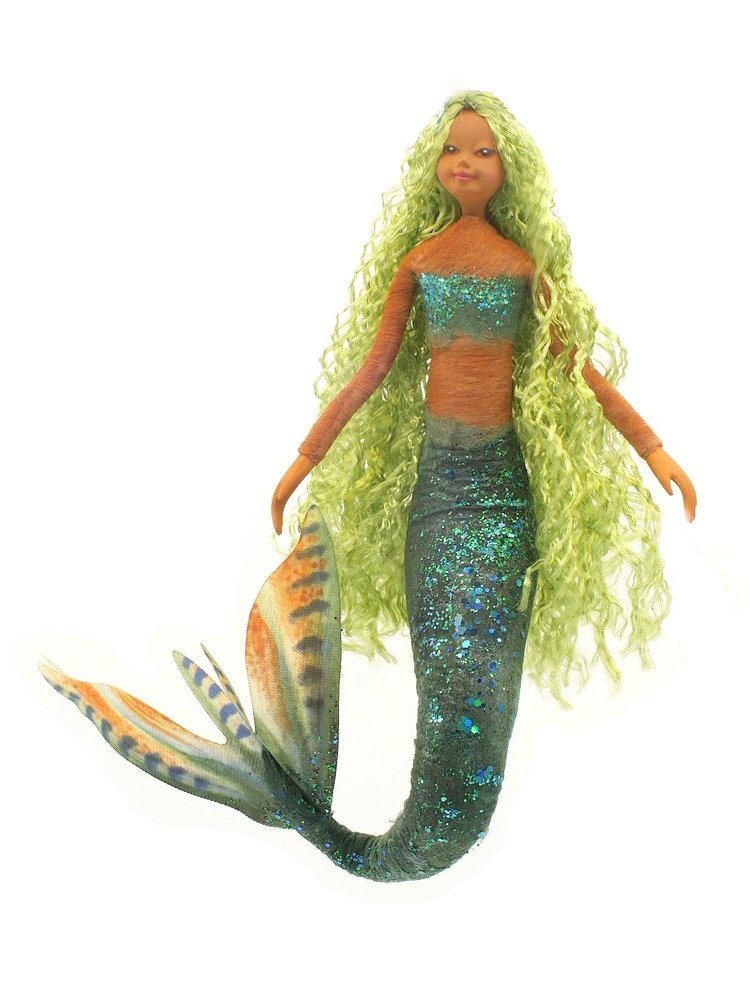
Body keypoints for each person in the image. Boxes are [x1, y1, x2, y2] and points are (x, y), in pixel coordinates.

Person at [42, 92, 696, 882]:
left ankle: (384, 816)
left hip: (502, 504)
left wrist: (654, 449)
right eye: (453, 149)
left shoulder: (523, 270)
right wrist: (303, 460)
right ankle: (340, 812)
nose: (465, 162)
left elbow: (580, 371)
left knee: (480, 688)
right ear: (433, 165)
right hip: (440, 503)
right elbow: (371, 373)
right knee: (448, 671)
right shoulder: (420, 264)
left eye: (482, 151)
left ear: (508, 170)